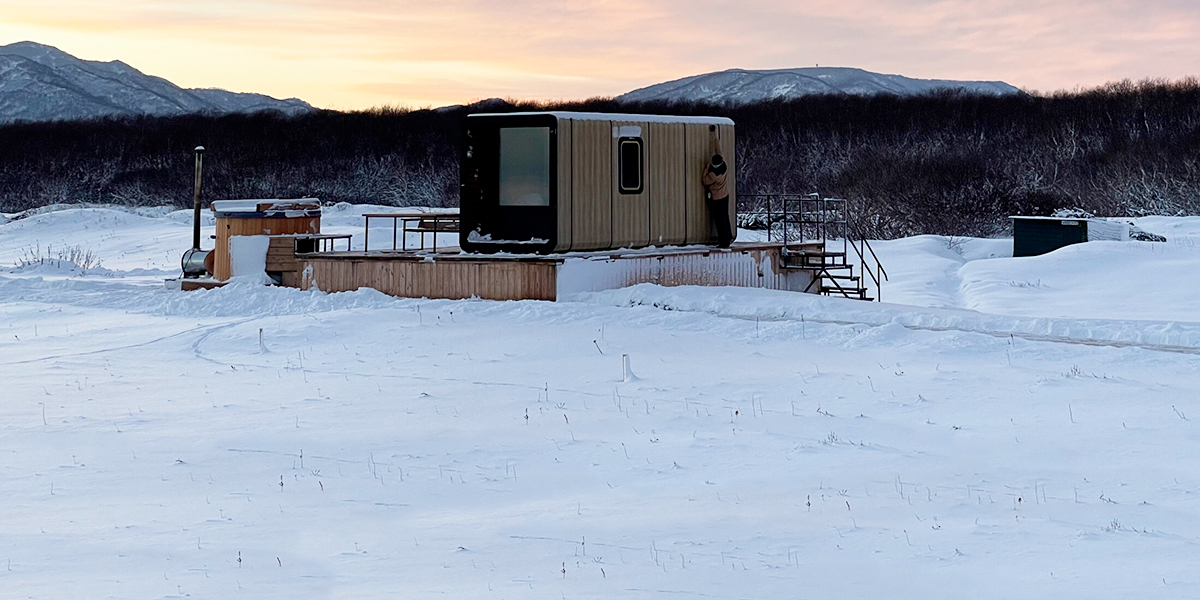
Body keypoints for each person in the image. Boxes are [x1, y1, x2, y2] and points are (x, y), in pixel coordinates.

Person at [702, 154, 733, 247]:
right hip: (725, 194)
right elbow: (719, 152)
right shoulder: (724, 167)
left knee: (719, 219)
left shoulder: (713, 175)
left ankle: (724, 241)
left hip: (717, 197)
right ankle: (728, 237)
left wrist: (706, 169)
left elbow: (705, 181)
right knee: (725, 217)